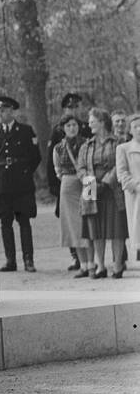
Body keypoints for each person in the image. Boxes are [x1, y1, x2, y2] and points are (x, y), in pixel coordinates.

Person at [0, 94, 41, 273]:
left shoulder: (26, 131)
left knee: (24, 222)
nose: (0, 114)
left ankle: (28, 259)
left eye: (3, 111)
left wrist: (24, 173)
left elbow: (35, 157)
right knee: (5, 223)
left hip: (21, 185)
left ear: (12, 111)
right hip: (2, 186)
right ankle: (10, 260)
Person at [77, 108, 127, 278]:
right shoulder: (87, 145)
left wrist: (106, 182)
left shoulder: (118, 142)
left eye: (92, 121)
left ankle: (118, 265)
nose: (89, 124)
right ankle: (100, 266)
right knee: (95, 228)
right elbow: (81, 167)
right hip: (91, 187)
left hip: (112, 188)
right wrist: (89, 181)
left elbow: (119, 165)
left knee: (116, 229)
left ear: (102, 122)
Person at [46, 92, 91, 271]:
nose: (73, 110)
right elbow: (52, 163)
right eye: (70, 107)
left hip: (87, 181)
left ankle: (92, 259)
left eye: (76, 107)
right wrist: (55, 187)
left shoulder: (87, 129)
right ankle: (77, 258)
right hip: (67, 184)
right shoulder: (57, 132)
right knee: (71, 221)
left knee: (90, 216)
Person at [116, 114, 140, 264]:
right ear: (130, 130)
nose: (139, 129)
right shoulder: (123, 148)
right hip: (135, 194)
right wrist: (136, 186)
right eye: (135, 127)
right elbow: (122, 173)